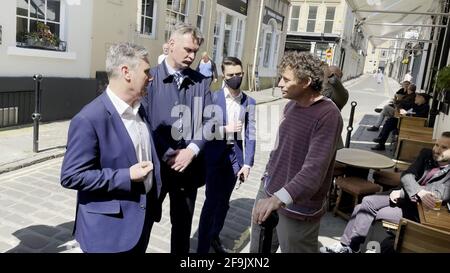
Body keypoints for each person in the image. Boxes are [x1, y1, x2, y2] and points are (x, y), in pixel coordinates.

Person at [60, 42, 162, 253]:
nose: (150, 77)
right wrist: (127, 175)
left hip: (141, 222)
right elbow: (71, 176)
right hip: (108, 233)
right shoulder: (89, 118)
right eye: (146, 71)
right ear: (126, 72)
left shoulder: (140, 108)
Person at [250, 51, 343, 253]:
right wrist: (266, 179)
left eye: (285, 79)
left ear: (306, 82)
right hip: (268, 194)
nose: (279, 84)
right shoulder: (290, 106)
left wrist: (278, 199)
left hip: (298, 209)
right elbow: (280, 149)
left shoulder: (328, 115)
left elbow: (314, 172)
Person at [143, 22, 212, 254]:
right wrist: (166, 152)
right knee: (143, 225)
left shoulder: (201, 82)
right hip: (156, 170)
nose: (192, 56)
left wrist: (191, 150)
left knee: (182, 231)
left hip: (188, 171)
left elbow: (210, 121)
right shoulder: (148, 78)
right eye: (188, 50)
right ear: (171, 45)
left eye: (195, 51)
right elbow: (143, 123)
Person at [320, 131, 450, 253]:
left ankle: (349, 247)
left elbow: (438, 194)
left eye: (444, 147)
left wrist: (403, 193)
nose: (437, 150)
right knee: (364, 205)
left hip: (416, 210)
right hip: (401, 196)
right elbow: (407, 175)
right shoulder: (426, 154)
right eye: (437, 145)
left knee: (365, 206)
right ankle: (349, 247)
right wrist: (417, 191)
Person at [197, 57, 256, 253]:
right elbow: (202, 130)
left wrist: (247, 164)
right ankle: (202, 248)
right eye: (231, 75)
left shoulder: (249, 102)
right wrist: (225, 129)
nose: (236, 78)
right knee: (211, 202)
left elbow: (250, 134)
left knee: (224, 203)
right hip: (215, 157)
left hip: (234, 158)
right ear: (224, 76)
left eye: (239, 74)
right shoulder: (212, 98)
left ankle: (215, 236)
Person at [322, 65, 349, 149]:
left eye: (334, 75)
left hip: (328, 141)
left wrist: (330, 75)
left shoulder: (342, 93)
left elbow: (335, 84)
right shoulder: (318, 88)